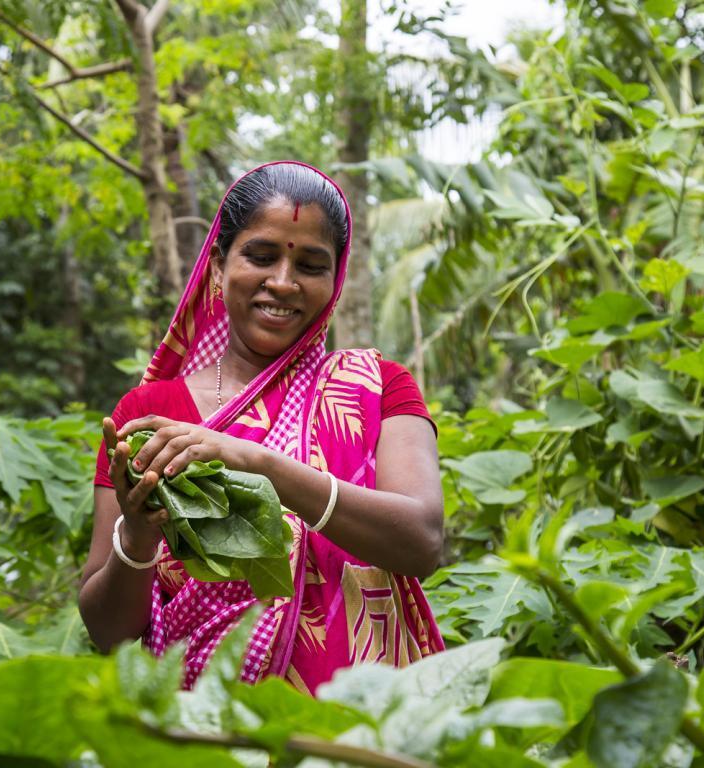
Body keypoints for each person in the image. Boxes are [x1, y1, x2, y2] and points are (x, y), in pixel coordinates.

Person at [79, 160, 445, 694]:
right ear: (219, 265)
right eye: (261, 255)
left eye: (311, 265)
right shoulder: (150, 412)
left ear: (335, 280)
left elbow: (421, 541)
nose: (282, 282)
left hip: (361, 727)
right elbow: (108, 631)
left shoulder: (378, 389)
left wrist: (257, 461)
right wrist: (138, 531)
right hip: (213, 731)